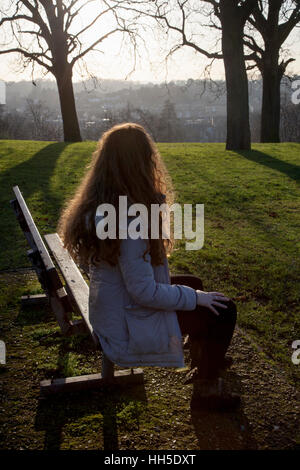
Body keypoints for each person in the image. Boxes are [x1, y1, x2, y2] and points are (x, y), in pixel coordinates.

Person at [59, 122, 240, 411]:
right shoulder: (130, 218)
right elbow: (143, 291)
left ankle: (205, 358)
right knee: (223, 309)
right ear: (142, 163)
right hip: (126, 327)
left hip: (111, 309)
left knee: (194, 283)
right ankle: (206, 391)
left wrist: (192, 293)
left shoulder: (100, 205)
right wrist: (196, 300)